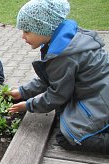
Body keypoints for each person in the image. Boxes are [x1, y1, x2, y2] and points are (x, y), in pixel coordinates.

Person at [8, 0, 109, 154]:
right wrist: (23, 91)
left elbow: (57, 94)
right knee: (63, 117)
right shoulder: (65, 41)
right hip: (100, 93)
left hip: (100, 100)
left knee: (68, 137)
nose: (23, 36)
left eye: (27, 31)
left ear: (44, 28)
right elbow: (51, 79)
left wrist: (29, 105)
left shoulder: (63, 56)